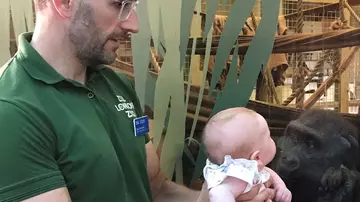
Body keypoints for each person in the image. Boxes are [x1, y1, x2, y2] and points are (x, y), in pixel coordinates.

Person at [0, 0, 275, 201]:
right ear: (63, 3)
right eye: (119, 5)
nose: (133, 24)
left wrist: (218, 194)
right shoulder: (12, 110)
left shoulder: (119, 86)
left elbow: (157, 188)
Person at [202, 107, 292, 202]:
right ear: (257, 157)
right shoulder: (236, 178)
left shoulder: (252, 168)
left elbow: (269, 172)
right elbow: (217, 193)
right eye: (269, 136)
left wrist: (281, 187)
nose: (272, 139)